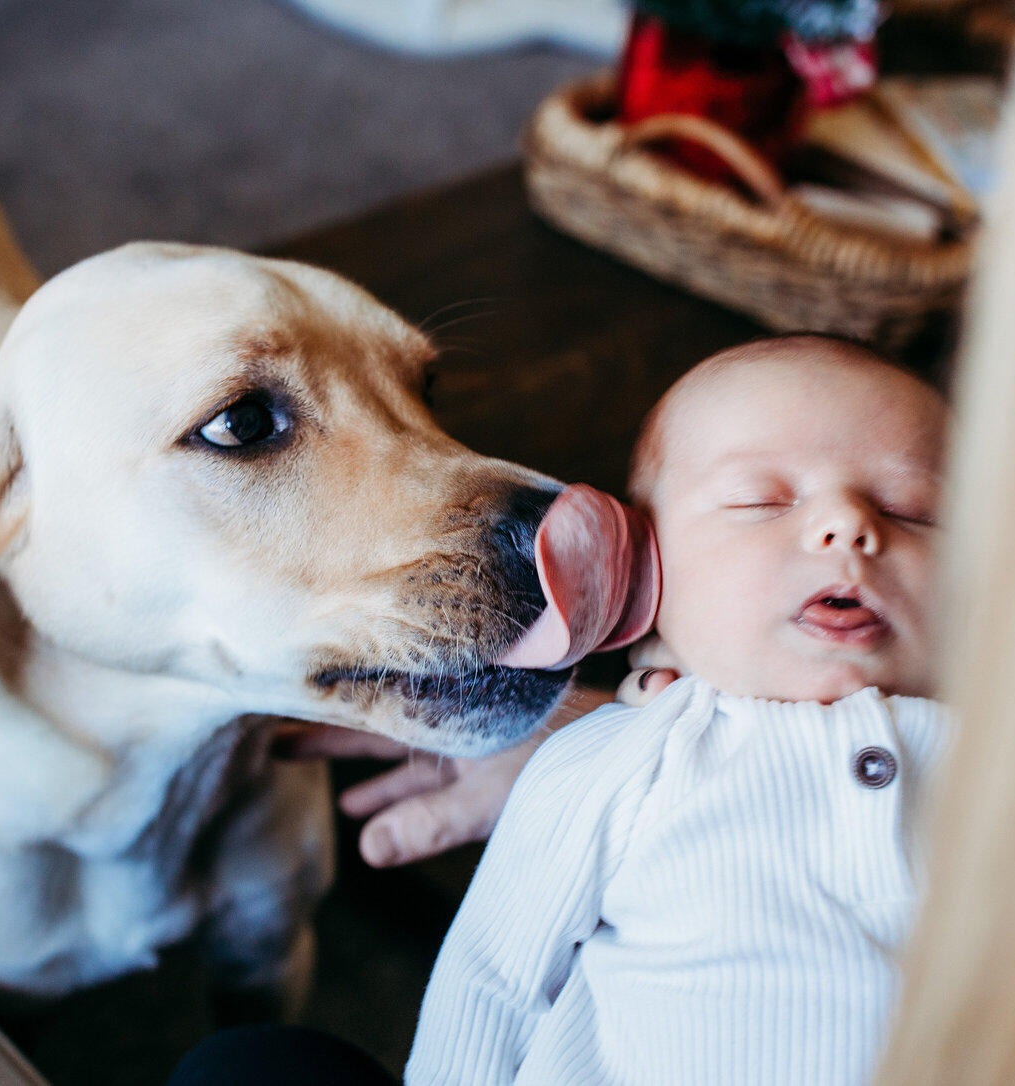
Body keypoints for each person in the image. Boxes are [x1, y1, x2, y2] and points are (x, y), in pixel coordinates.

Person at [406, 334, 950, 1086]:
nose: (851, 526)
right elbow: (492, 983)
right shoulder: (615, 762)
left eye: (912, 509)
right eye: (761, 501)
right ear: (643, 578)